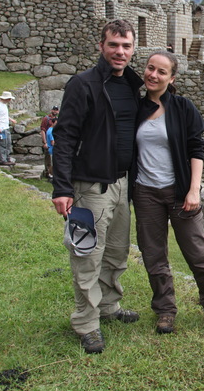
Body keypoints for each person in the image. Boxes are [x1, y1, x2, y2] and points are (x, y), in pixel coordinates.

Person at [52, 19, 143, 354]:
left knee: (117, 252)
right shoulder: (83, 84)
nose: (120, 51)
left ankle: (108, 306)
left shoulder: (132, 85)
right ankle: (87, 323)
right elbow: (65, 137)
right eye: (113, 45)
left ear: (133, 49)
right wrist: (62, 188)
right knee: (87, 255)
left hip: (122, 183)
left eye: (126, 46)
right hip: (90, 186)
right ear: (101, 46)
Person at [131, 50, 204, 335]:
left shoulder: (182, 107)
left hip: (179, 192)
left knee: (198, 251)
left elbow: (196, 149)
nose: (153, 75)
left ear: (172, 78)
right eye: (150, 68)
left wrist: (193, 190)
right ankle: (165, 309)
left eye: (161, 72)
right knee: (153, 255)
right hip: (145, 192)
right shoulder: (135, 108)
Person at [0, 91, 15, 165]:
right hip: (0, 128)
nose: (10, 100)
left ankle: (7, 158)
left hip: (5, 127)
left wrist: (11, 119)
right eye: (9, 99)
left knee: (8, 144)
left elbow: (4, 115)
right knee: (2, 144)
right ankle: (3, 160)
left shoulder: (4, 105)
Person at [40, 106, 59, 179]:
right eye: (54, 110)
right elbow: (43, 130)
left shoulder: (57, 119)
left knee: (51, 161)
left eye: (56, 110)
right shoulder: (46, 119)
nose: (55, 111)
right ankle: (48, 174)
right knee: (48, 160)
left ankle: (50, 174)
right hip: (48, 142)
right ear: (51, 110)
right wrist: (45, 142)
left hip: (52, 141)